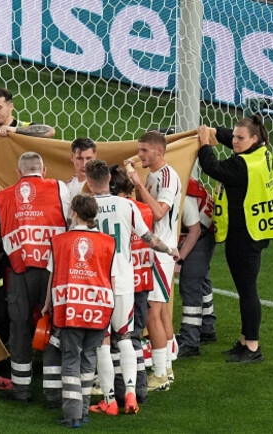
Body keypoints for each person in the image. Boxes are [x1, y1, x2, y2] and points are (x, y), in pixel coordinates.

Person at [85, 160, 178, 414]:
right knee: (125, 337)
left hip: (97, 281)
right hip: (125, 280)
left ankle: (109, 400)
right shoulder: (127, 205)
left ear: (89, 182)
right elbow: (149, 238)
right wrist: (170, 249)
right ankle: (130, 396)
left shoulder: (86, 206)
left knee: (102, 342)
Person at [196, 115, 273, 363]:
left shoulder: (242, 166)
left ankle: (253, 347)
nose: (234, 141)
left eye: (240, 138)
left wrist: (204, 143)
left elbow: (212, 167)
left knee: (247, 290)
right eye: (233, 136)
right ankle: (245, 340)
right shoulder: (263, 153)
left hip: (245, 234)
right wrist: (215, 132)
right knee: (247, 288)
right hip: (256, 230)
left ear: (254, 138)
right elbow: (229, 136)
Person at [0, 151, 70, 401]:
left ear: (19, 173)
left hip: (19, 271)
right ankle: (53, 392)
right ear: (43, 171)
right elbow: (70, 222)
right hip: (52, 272)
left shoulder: (4, 197)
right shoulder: (60, 188)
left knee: (20, 328)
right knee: (53, 327)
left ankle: (21, 389)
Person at [41, 194, 116, 428]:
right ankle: (82, 411)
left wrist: (47, 304)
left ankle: (72, 415)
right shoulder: (108, 242)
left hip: (71, 307)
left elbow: (52, 278)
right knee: (88, 360)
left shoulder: (60, 241)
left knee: (71, 359)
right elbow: (111, 278)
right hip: (100, 308)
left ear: (74, 212)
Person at [124, 131, 181, 390]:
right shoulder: (154, 175)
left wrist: (138, 182)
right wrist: (138, 184)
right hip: (156, 250)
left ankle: (160, 374)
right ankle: (166, 366)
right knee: (159, 312)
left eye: (144, 150)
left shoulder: (167, 177)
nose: (140, 154)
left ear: (159, 151)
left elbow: (157, 213)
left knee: (153, 313)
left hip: (161, 251)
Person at [108, 165, 154, 404]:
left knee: (119, 340)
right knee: (134, 338)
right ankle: (140, 390)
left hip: (123, 282)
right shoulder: (143, 210)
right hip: (143, 281)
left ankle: (123, 390)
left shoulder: (115, 211)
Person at [176, 178, 217, 357]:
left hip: (201, 232)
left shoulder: (182, 191)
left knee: (190, 282)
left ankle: (190, 340)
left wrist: (180, 260)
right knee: (200, 276)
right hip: (207, 227)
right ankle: (207, 328)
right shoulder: (183, 180)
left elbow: (195, 231)